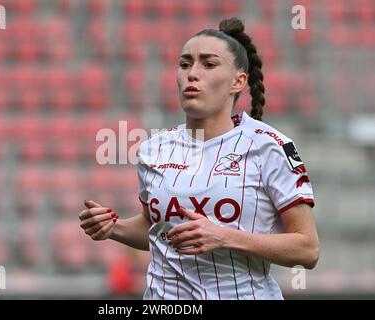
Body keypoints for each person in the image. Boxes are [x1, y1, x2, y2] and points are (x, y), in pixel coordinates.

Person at [79, 17, 319, 300]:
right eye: (184, 64)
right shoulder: (154, 149)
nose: (192, 74)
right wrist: (113, 227)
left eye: (208, 64)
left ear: (237, 81)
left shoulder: (270, 147)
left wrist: (224, 236)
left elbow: (307, 250)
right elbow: (155, 229)